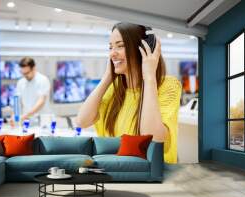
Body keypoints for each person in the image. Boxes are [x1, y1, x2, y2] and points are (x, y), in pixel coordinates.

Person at [76, 23, 182, 164]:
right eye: (110, 47)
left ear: (144, 49)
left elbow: (152, 138)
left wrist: (149, 76)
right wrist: (107, 77)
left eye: (120, 46)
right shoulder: (114, 88)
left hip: (152, 176)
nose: (112, 53)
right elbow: (82, 121)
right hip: (118, 170)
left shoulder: (167, 85)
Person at [14, 57, 51, 124]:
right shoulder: (20, 82)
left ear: (33, 68)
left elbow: (41, 101)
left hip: (41, 120)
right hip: (26, 120)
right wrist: (14, 116)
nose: (25, 75)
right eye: (23, 73)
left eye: (27, 73)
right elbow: (18, 102)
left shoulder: (43, 80)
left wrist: (26, 115)